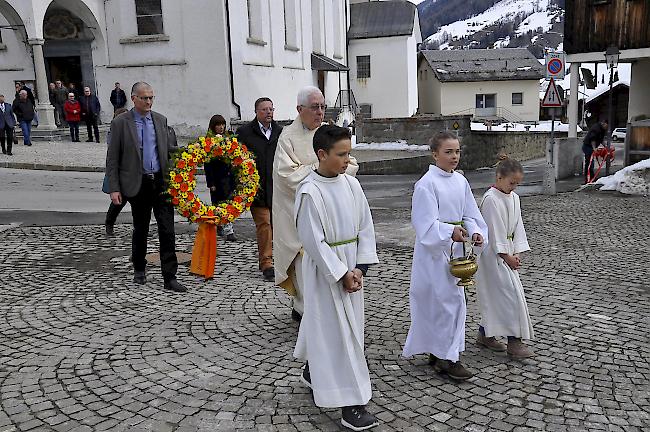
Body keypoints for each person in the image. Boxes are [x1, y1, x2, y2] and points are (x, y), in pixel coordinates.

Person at [294, 125, 379, 431]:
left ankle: (313, 371)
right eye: (341, 154)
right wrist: (341, 273)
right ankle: (351, 405)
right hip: (325, 273)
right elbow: (314, 242)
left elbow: (365, 227)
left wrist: (360, 268)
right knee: (341, 335)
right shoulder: (310, 192)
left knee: (344, 327)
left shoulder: (351, 186)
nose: (347, 160)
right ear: (321, 154)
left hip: (352, 267)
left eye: (349, 153)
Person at [402, 131, 488, 381]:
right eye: (448, 152)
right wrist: (451, 231)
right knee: (441, 304)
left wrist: (475, 233)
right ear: (435, 154)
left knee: (453, 303)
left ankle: (443, 353)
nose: (454, 157)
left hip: (457, 252)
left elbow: (471, 214)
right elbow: (424, 225)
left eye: (457, 151)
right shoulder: (426, 184)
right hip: (434, 255)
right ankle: (447, 357)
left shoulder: (460, 182)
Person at [273, 86, 358, 320]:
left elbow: (350, 164)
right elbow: (286, 176)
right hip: (297, 212)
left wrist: (329, 172)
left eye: (322, 106)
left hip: (329, 211)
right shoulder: (288, 138)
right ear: (300, 109)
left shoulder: (329, 134)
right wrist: (320, 171)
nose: (320, 112)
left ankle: (327, 306)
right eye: (314, 107)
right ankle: (304, 309)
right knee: (304, 263)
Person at [105, 81, 187, 293]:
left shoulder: (160, 120)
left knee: (167, 230)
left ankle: (170, 276)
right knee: (140, 228)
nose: (149, 101)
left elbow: (169, 149)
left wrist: (191, 154)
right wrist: (114, 188)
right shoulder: (121, 123)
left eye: (151, 97)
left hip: (160, 181)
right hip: (137, 183)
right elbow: (112, 157)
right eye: (144, 98)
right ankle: (139, 268)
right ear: (133, 98)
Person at [475, 158, 534, 359]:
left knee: (499, 296)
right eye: (511, 183)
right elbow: (494, 231)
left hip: (507, 251)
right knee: (510, 296)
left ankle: (485, 334)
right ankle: (514, 342)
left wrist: (516, 251)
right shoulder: (491, 199)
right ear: (499, 177)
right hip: (493, 256)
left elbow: (518, 226)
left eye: (517, 183)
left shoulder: (514, 198)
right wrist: (506, 256)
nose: (514, 187)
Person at [236, 97, 282, 282]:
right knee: (264, 225)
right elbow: (237, 158)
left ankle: (279, 258)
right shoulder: (245, 133)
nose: (269, 112)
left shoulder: (280, 132)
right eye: (264, 109)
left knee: (278, 226)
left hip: (277, 188)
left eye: (271, 109)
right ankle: (266, 263)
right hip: (257, 188)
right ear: (256, 112)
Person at [204, 114, 238, 242]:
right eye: (218, 125)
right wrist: (211, 182)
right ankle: (221, 225)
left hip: (229, 176)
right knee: (218, 203)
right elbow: (207, 164)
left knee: (229, 202)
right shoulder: (208, 141)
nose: (221, 127)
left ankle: (228, 229)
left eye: (223, 124)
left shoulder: (229, 139)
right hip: (217, 178)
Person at [103, 107, 130, 236]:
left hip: (133, 173)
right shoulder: (113, 133)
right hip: (120, 173)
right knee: (119, 202)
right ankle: (109, 223)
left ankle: (141, 228)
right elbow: (112, 155)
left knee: (140, 205)